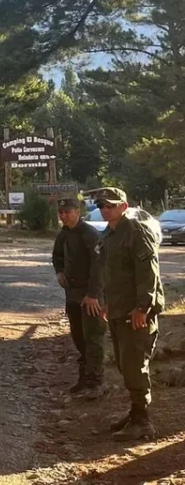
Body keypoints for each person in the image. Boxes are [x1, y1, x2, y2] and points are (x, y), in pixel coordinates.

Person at [83, 187, 164, 441]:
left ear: (123, 206)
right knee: (124, 365)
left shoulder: (135, 231)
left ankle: (143, 422)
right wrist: (106, 302)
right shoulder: (109, 234)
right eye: (101, 206)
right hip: (118, 310)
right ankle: (135, 414)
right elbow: (110, 273)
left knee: (135, 366)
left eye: (110, 205)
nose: (105, 209)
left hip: (136, 312)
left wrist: (143, 308)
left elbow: (148, 273)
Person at [51, 196, 105, 399]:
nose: (64, 216)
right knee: (79, 338)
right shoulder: (64, 234)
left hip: (90, 295)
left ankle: (96, 382)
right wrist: (59, 271)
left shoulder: (89, 233)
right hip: (72, 295)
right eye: (61, 213)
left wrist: (93, 295)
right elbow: (56, 256)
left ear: (77, 212)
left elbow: (99, 266)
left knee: (93, 338)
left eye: (68, 212)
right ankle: (84, 379)